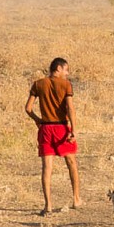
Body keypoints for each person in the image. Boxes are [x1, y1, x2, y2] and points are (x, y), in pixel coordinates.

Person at [25, 56, 81, 215]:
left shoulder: (38, 84)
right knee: (71, 163)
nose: (67, 73)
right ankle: (76, 198)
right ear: (58, 69)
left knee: (47, 168)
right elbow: (70, 109)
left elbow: (28, 108)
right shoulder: (65, 85)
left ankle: (48, 205)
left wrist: (38, 120)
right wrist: (74, 130)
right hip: (61, 128)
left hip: (46, 129)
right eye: (66, 69)